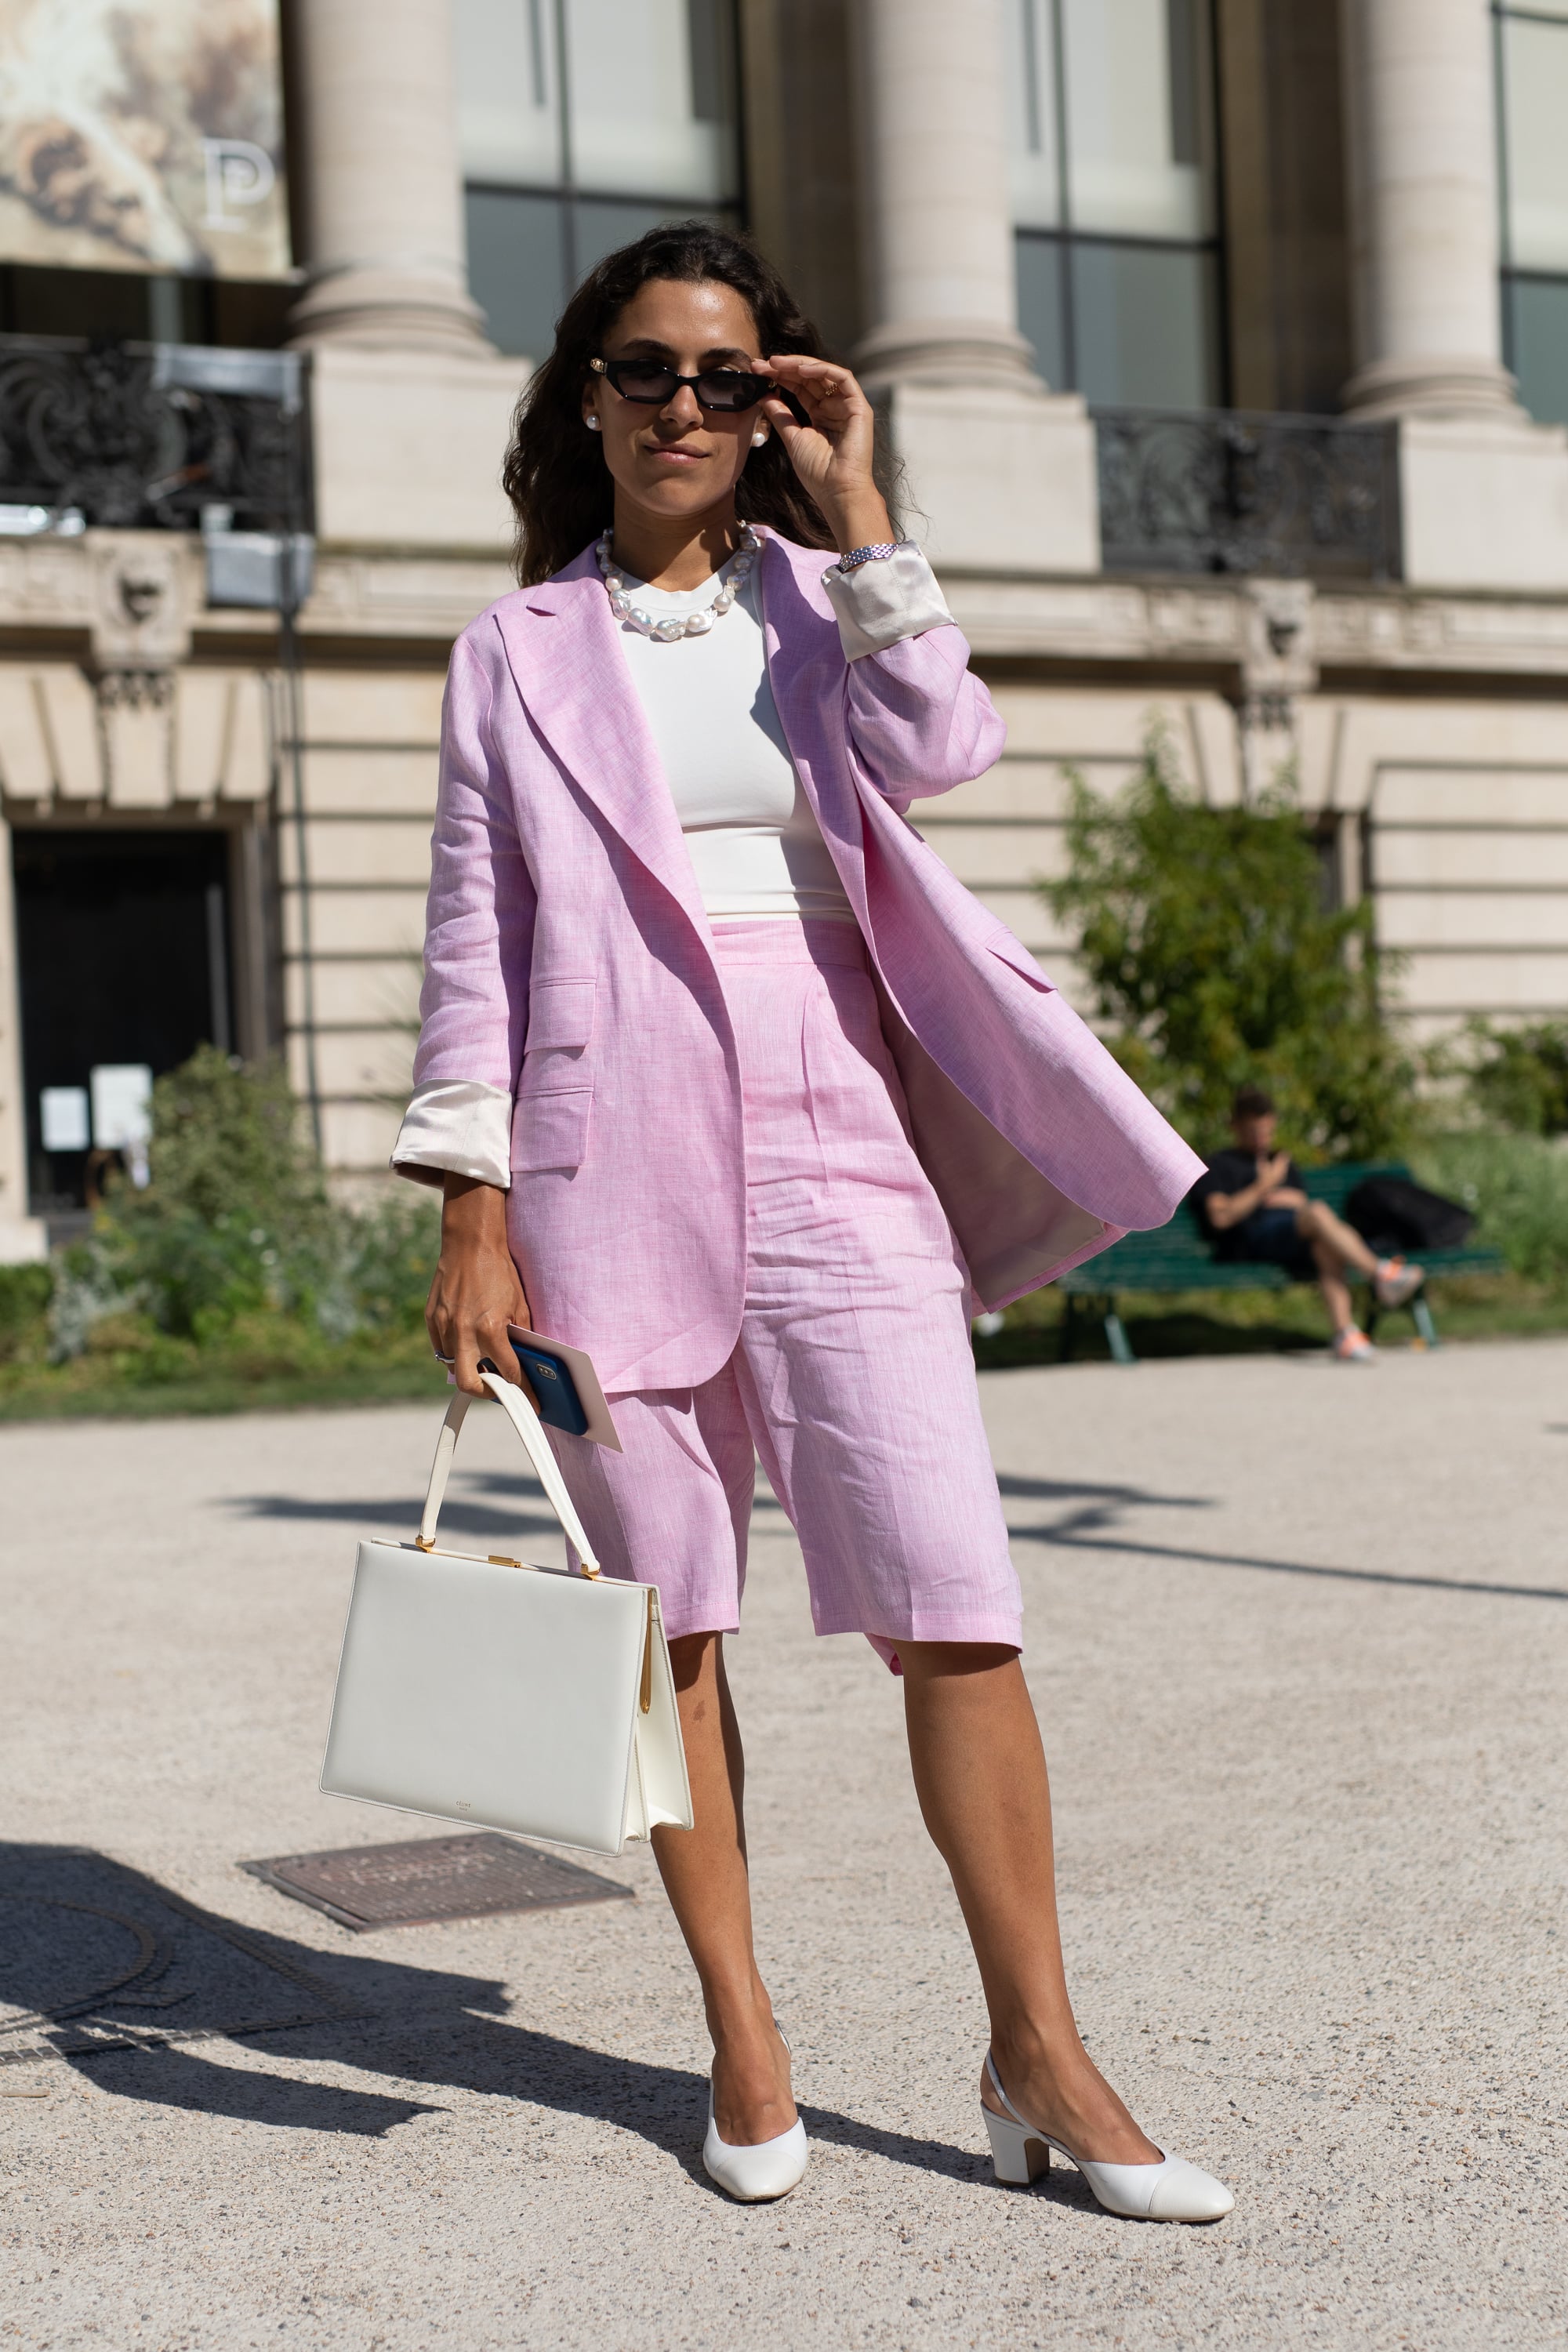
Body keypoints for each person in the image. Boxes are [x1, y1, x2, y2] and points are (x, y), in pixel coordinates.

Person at [394, 220, 1233, 2223]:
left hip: (836, 1113)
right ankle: (741, 2029)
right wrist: (468, 1203)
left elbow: (944, 747)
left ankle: (1036, 2048)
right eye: (645, 371)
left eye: (727, 377)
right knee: (669, 1613)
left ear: (771, 405)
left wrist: (864, 517)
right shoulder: (510, 651)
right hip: (606, 1149)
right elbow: (469, 937)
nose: (684, 406)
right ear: (583, 398)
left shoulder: (813, 600)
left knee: (950, 1596)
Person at [1192, 1085, 1424, 1362]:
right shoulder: (1219, 1164)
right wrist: (1264, 1187)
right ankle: (1380, 1274)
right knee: (1317, 1214)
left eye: (1267, 1132)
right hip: (1250, 1240)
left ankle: (1345, 1334)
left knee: (1324, 1243)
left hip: (1294, 1236)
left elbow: (1298, 1200)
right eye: (1254, 1132)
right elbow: (1221, 1216)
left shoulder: (1280, 1161)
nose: (1262, 1140)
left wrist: (1282, 1197)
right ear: (1235, 1126)